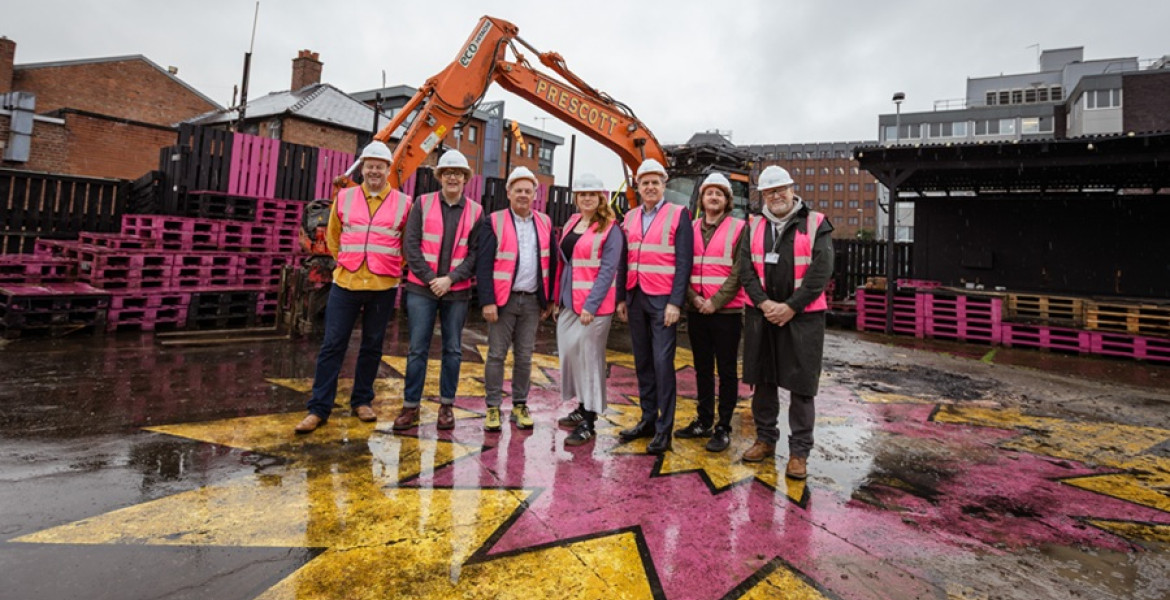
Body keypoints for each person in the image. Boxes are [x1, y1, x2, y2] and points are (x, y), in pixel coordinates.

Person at [295, 141, 411, 433]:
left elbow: (408, 243)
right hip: (346, 283)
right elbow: (333, 237)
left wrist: (393, 266)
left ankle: (362, 400)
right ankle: (319, 408)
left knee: (372, 346)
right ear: (363, 169)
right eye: (369, 166)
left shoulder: (403, 203)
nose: (374, 171)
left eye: (380, 166)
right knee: (332, 344)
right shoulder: (344, 198)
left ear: (388, 171)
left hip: (382, 284)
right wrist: (346, 261)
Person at [738, 165, 834, 480]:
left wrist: (791, 307)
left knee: (801, 386)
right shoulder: (752, 226)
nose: (776, 195)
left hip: (803, 318)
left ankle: (799, 453)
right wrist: (765, 304)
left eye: (781, 189)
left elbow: (821, 271)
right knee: (763, 379)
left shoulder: (815, 223)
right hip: (761, 315)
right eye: (769, 191)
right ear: (762, 195)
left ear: (792, 189)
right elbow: (745, 270)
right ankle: (765, 439)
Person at [393, 149, 483, 431]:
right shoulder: (422, 203)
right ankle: (410, 407)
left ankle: (446, 406)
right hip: (422, 289)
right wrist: (433, 279)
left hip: (456, 292)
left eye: (458, 173)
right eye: (448, 173)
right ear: (440, 177)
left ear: (465, 178)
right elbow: (411, 244)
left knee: (453, 350)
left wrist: (450, 279)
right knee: (417, 349)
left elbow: (475, 254)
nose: (453, 177)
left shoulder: (476, 211)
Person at [617, 158, 694, 455]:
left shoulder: (679, 214)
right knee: (643, 363)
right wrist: (621, 298)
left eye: (655, 182)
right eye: (645, 182)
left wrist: (676, 302)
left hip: (663, 300)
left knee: (663, 365)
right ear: (638, 186)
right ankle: (648, 420)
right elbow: (625, 259)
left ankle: (665, 430)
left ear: (664, 186)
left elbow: (684, 261)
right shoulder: (630, 216)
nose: (650, 187)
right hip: (635, 296)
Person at [477, 166, 557, 432]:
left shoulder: (544, 222)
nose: (523, 195)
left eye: (528, 190)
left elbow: (553, 263)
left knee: (524, 356)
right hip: (503, 301)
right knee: (497, 355)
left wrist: (550, 299)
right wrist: (487, 300)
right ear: (508, 192)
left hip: (533, 301)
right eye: (518, 190)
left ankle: (520, 405)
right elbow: (484, 263)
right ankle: (492, 408)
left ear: (536, 193)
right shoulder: (494, 221)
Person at [675, 172, 747, 453]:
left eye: (719, 193)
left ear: (727, 200)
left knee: (727, 370)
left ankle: (723, 427)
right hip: (697, 310)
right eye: (709, 193)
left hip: (726, 312)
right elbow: (683, 266)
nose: (713, 197)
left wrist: (714, 302)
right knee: (702, 368)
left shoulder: (739, 228)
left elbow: (739, 272)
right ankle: (703, 420)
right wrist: (694, 298)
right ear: (702, 198)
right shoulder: (690, 228)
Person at [555, 173, 625, 446]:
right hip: (570, 302)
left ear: (601, 198)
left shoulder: (611, 228)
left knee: (590, 360)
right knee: (572, 355)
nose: (586, 198)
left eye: (592, 194)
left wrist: (591, 305)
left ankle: (589, 422)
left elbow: (608, 270)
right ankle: (582, 406)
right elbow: (566, 262)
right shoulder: (573, 222)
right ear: (576, 198)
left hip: (593, 308)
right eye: (582, 194)